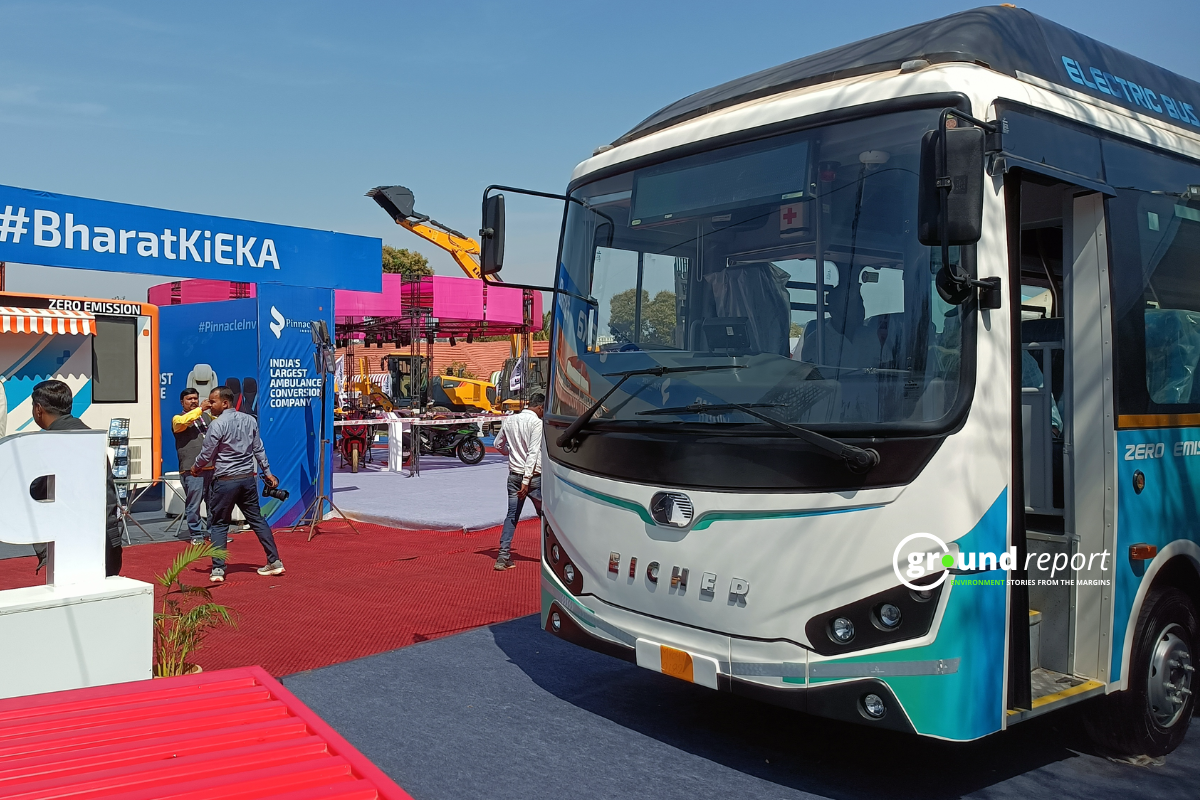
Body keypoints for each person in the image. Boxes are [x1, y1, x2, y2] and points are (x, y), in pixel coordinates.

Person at [29, 380, 122, 577]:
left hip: (69, 546)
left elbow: (35, 492)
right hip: (107, 538)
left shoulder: (46, 444)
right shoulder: (91, 437)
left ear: (38, 409)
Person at [191, 386, 283, 583]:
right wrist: (267, 472)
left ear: (225, 403)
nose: (209, 406)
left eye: (212, 402)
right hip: (247, 480)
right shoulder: (250, 420)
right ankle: (274, 561)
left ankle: (217, 569)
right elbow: (259, 449)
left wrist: (196, 467)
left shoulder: (217, 425)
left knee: (218, 524)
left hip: (225, 481)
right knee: (257, 520)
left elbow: (207, 454)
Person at [492, 392, 545, 571]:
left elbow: (498, 444)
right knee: (546, 516)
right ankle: (551, 555)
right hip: (533, 478)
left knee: (512, 516)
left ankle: (502, 556)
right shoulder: (537, 423)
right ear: (540, 407)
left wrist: (512, 453)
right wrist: (527, 480)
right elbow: (533, 452)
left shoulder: (510, 420)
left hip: (514, 475)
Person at [172, 388, 214, 545]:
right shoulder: (177, 419)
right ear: (182, 402)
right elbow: (183, 423)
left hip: (212, 468)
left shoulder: (206, 417)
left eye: (195, 398)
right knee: (194, 504)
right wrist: (200, 408)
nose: (194, 401)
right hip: (192, 469)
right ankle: (196, 534)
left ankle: (213, 533)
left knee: (214, 503)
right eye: (189, 399)